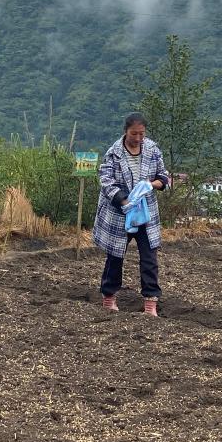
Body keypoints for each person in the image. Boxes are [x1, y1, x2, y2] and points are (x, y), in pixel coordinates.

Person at [93, 112, 171, 316]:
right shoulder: (114, 153)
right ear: (125, 132)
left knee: (149, 258)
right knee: (115, 256)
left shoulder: (152, 149)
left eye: (141, 134)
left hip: (145, 213)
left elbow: (163, 176)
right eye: (133, 134)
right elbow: (106, 182)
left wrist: (150, 185)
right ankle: (109, 298)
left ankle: (150, 304)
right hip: (120, 213)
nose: (138, 138)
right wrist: (125, 200)